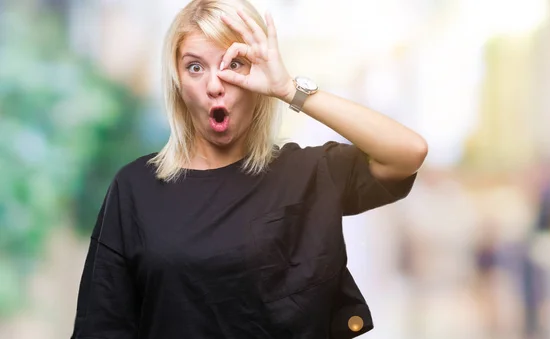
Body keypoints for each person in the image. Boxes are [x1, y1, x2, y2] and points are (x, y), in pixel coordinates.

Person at [70, 0, 428, 338]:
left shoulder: (306, 174)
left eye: (233, 65)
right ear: (178, 83)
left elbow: (407, 152)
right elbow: (101, 326)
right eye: (195, 67)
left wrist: (290, 89)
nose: (214, 85)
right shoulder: (136, 188)